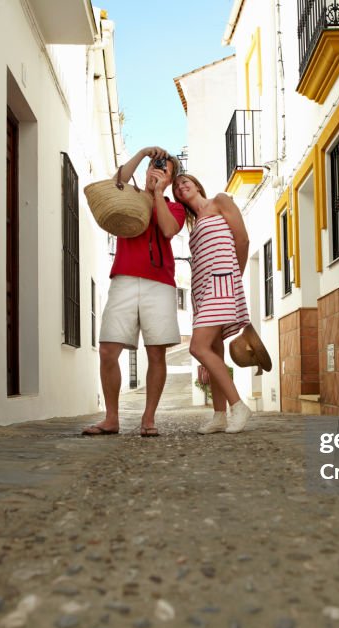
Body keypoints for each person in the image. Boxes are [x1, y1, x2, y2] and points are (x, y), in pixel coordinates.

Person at [83, 147, 185, 438]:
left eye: (163, 168)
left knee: (156, 353)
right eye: (155, 166)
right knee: (107, 350)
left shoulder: (172, 206)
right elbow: (117, 180)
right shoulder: (130, 195)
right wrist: (142, 154)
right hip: (124, 279)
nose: (157, 170)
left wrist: (158, 193)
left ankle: (148, 418)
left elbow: (167, 230)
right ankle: (111, 418)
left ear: (170, 177)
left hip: (160, 284)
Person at [172, 174, 253, 434]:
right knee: (214, 353)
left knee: (198, 347)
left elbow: (243, 240)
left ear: (197, 184)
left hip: (221, 283)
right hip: (201, 289)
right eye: (176, 186)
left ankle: (238, 406)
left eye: (185, 181)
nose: (181, 185)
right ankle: (219, 416)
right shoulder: (193, 225)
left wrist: (234, 277)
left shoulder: (220, 201)